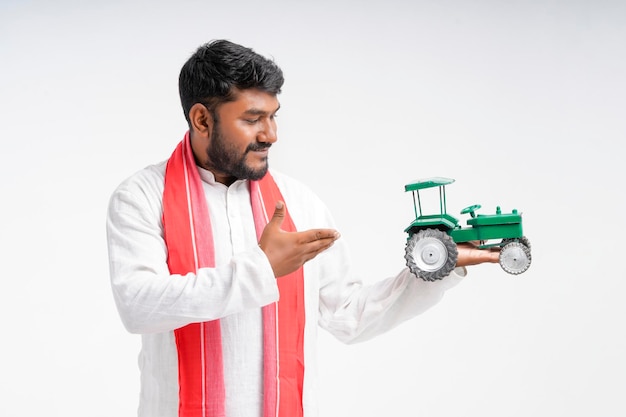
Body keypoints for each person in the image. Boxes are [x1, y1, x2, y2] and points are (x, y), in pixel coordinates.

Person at [106, 39, 499, 417]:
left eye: (273, 115)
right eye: (252, 119)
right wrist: (262, 268)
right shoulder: (142, 196)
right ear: (202, 118)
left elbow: (349, 315)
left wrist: (439, 268)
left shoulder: (300, 202)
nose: (271, 134)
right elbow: (138, 305)